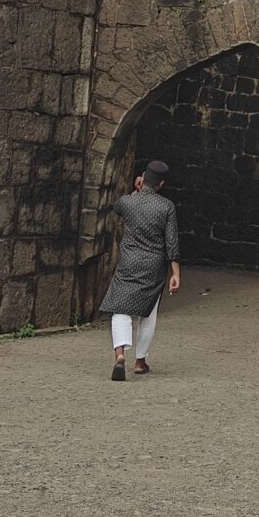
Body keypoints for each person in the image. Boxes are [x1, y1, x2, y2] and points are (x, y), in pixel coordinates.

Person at [98, 158, 181, 382]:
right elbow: (171, 242)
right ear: (161, 184)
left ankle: (120, 353)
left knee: (120, 308)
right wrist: (175, 272)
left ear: (143, 178)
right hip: (154, 265)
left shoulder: (128, 202)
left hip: (129, 262)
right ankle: (140, 361)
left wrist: (136, 191)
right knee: (148, 313)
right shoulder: (167, 207)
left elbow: (117, 207)